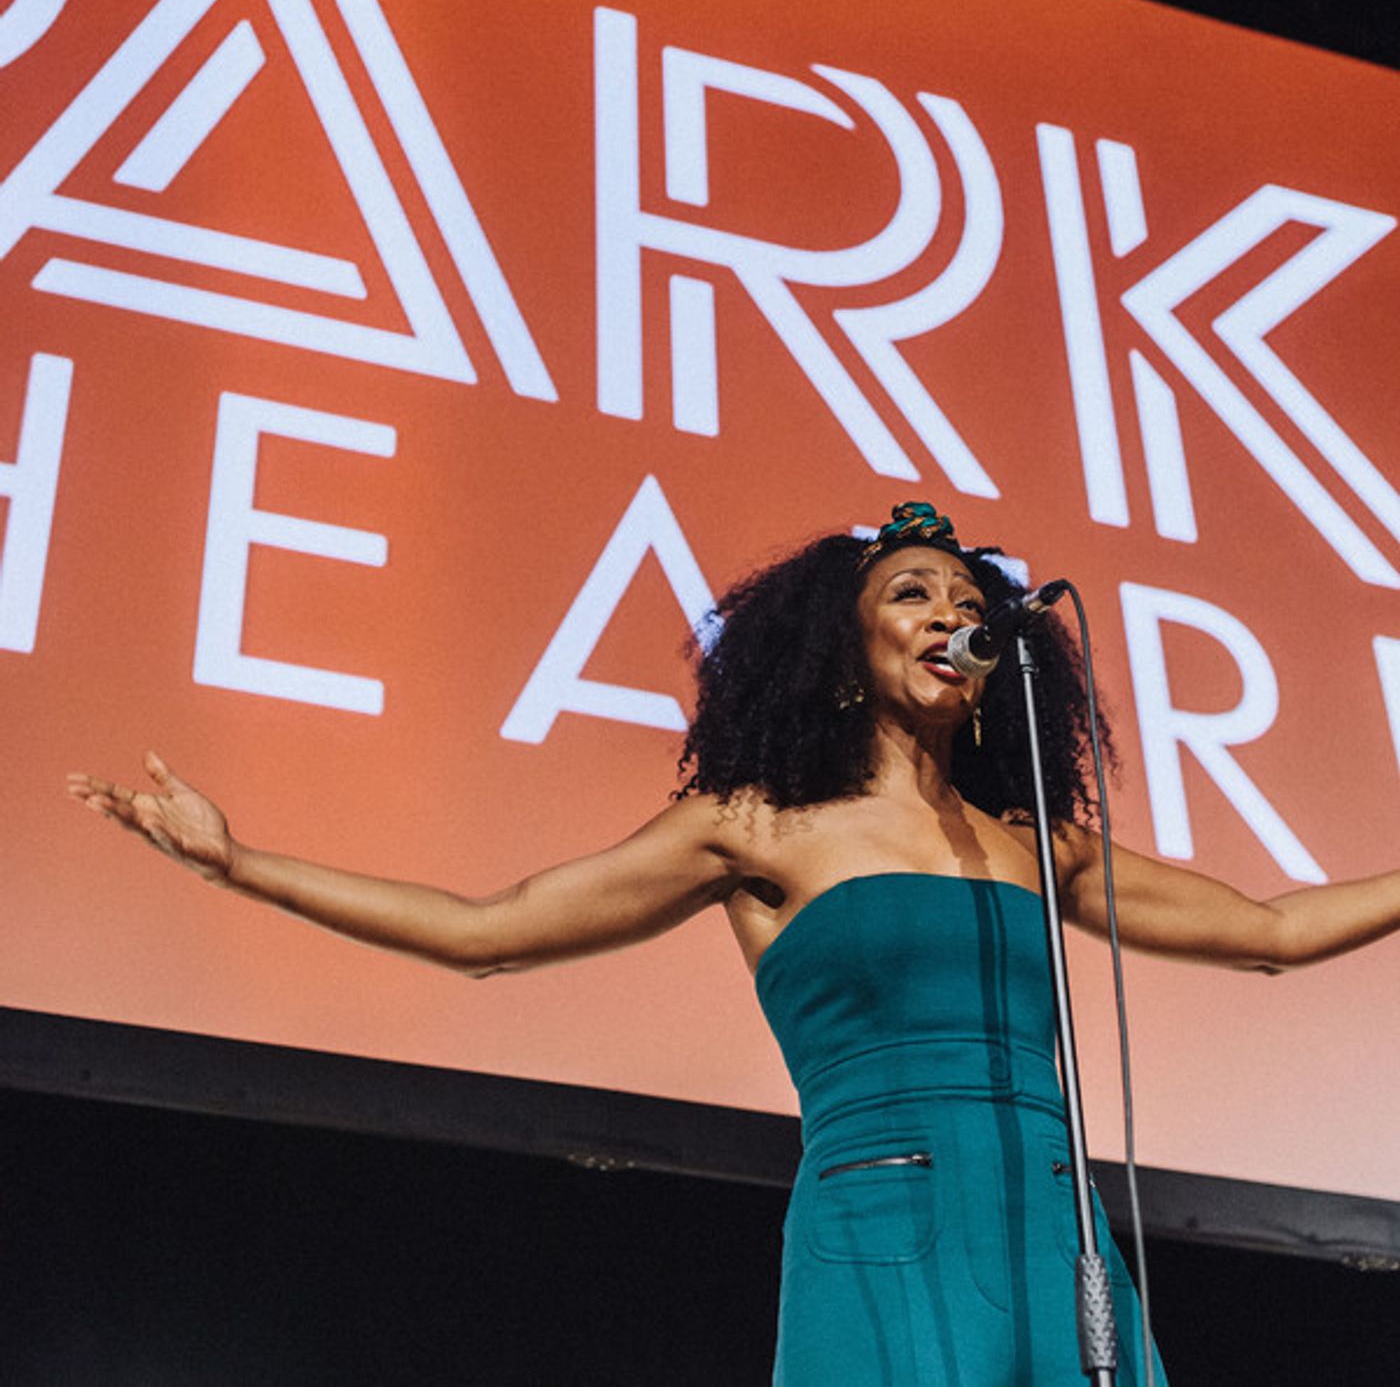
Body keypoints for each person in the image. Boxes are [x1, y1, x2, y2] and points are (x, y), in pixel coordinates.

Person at [68, 502, 1400, 1385]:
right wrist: (241, 865)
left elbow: (1272, 931)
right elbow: (491, 930)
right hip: (884, 1217)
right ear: (841, 651)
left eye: (968, 598)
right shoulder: (756, 823)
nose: (952, 612)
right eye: (913, 592)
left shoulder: (1035, 843)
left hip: (1053, 1223)